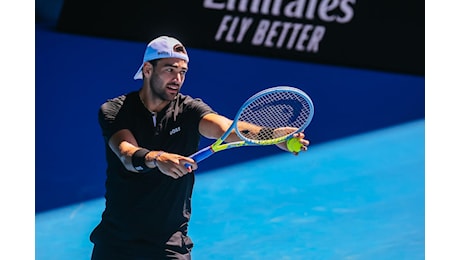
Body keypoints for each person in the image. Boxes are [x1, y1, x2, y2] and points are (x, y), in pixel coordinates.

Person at [89, 35, 310, 259]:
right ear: (147, 69)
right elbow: (127, 154)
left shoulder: (189, 110)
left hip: (168, 242)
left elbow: (227, 129)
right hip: (117, 241)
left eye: (183, 72)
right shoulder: (116, 110)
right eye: (170, 70)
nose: (177, 78)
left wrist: (273, 135)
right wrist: (158, 158)